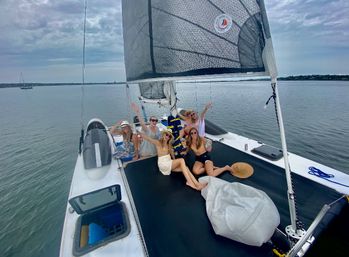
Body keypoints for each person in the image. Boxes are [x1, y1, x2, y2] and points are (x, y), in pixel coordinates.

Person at [139, 128, 206, 191]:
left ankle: (197, 184)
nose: (167, 137)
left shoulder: (169, 145)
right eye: (166, 134)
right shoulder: (158, 143)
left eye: (169, 136)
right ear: (163, 134)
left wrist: (175, 161)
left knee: (186, 168)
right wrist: (139, 133)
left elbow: (172, 154)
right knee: (181, 160)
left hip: (169, 162)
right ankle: (190, 182)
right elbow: (148, 139)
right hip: (163, 164)